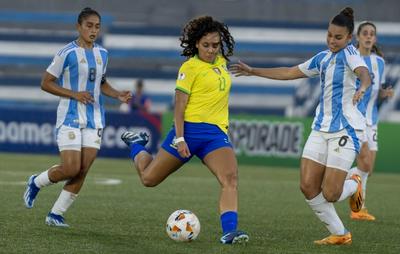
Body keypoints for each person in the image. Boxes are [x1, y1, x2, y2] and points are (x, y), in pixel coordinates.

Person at [230, 7, 371, 245]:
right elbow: (288, 72)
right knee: (307, 186)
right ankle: (340, 234)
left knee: (331, 193)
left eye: (338, 37)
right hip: (320, 128)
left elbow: (364, 74)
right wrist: (254, 71)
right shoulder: (322, 58)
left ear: (349, 39)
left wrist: (362, 87)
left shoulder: (351, 54)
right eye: (329, 35)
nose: (332, 41)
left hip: (345, 130)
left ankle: (354, 183)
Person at [120, 16, 249, 244]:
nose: (211, 50)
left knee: (230, 178)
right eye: (206, 45)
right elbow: (179, 107)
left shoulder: (220, 62)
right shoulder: (189, 68)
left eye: (215, 45)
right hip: (187, 132)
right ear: (196, 43)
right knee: (149, 179)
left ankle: (230, 232)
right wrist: (179, 138)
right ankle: (137, 144)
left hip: (215, 135)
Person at [23, 7, 131, 227]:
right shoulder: (66, 53)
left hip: (95, 119)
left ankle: (56, 214)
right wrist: (75, 94)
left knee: (83, 170)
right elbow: (46, 83)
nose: (93, 30)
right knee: (71, 168)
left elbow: (101, 83)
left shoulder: (103, 54)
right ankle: (36, 181)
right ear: (78, 27)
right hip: (70, 117)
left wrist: (117, 93)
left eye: (97, 26)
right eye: (89, 25)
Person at [348, 21, 394, 221]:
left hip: (372, 119)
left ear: (374, 39)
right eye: (364, 33)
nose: (368, 36)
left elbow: (376, 91)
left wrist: (385, 93)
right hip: (355, 118)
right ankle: (357, 208)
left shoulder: (379, 62)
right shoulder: (351, 57)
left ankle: (356, 204)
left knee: (368, 169)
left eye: (371, 34)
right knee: (364, 163)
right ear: (358, 37)